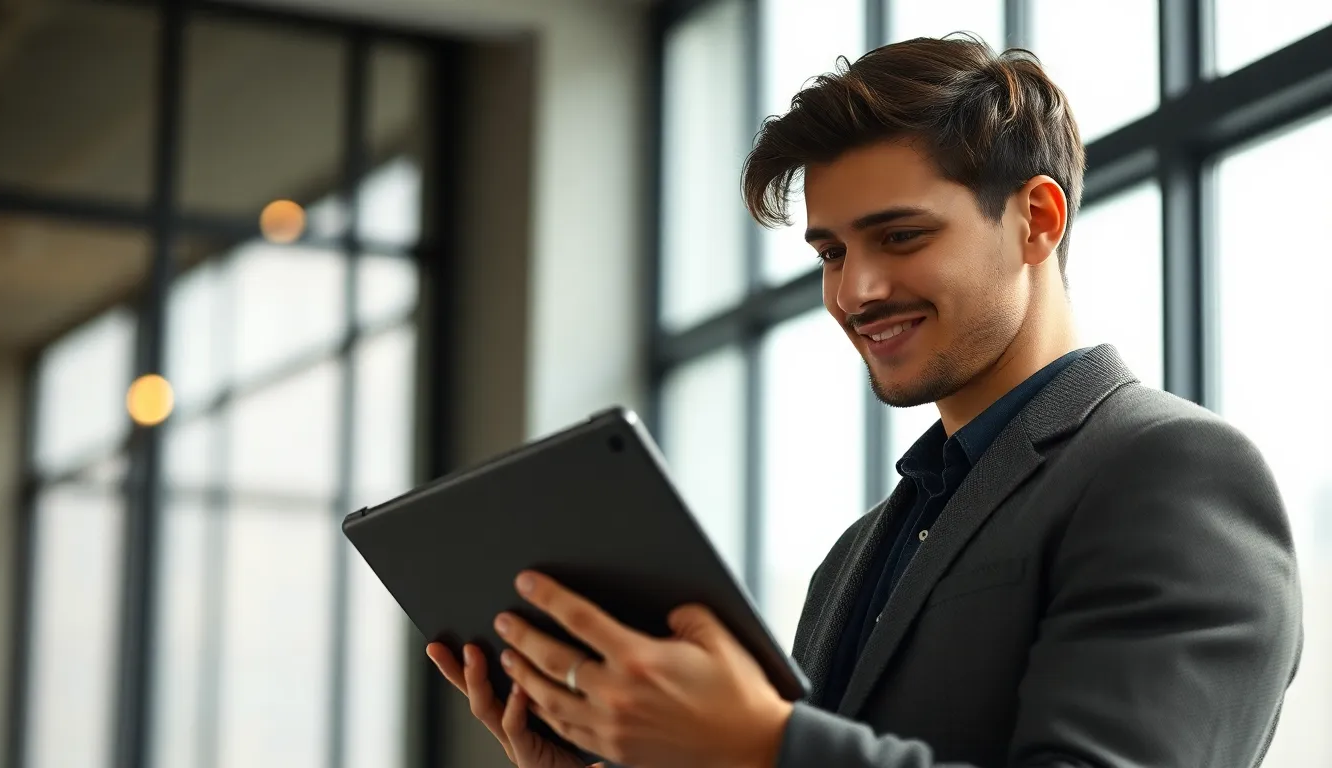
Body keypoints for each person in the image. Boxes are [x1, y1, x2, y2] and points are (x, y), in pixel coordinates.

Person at [426, 36, 1303, 767]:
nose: (858, 290)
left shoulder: (1174, 470)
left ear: (1037, 218)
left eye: (902, 235)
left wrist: (763, 744)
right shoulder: (853, 558)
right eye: (831, 253)